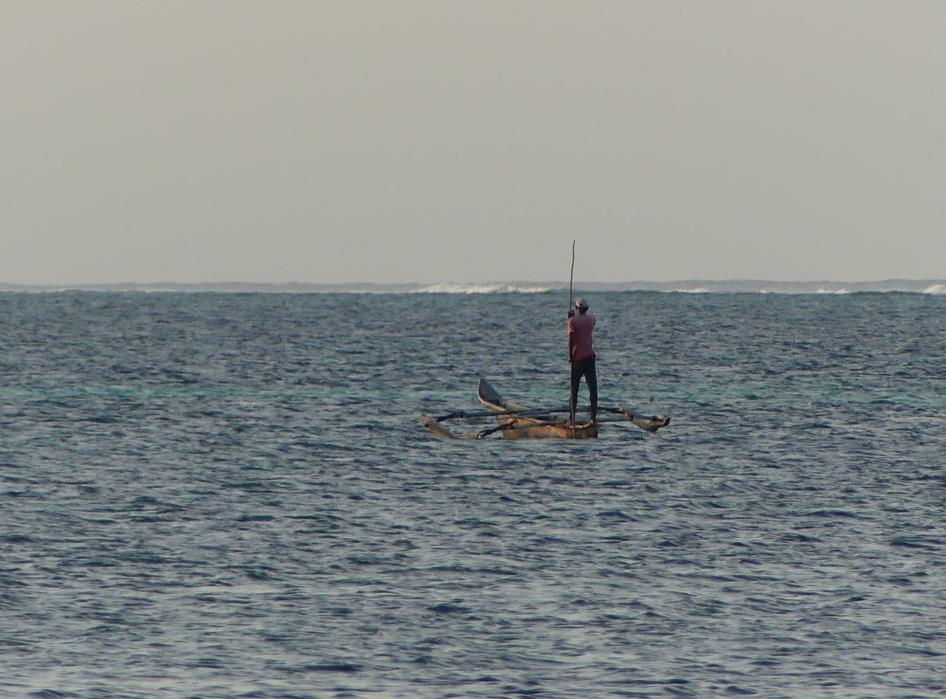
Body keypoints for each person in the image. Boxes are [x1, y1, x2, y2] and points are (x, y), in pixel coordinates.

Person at [567, 297, 597, 425]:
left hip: (578, 358)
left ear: (577, 308)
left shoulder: (572, 321)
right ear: (587, 309)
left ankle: (572, 417)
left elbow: (571, 339)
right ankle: (593, 417)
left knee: (574, 389)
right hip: (590, 357)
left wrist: (570, 356)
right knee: (593, 388)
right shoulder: (592, 320)